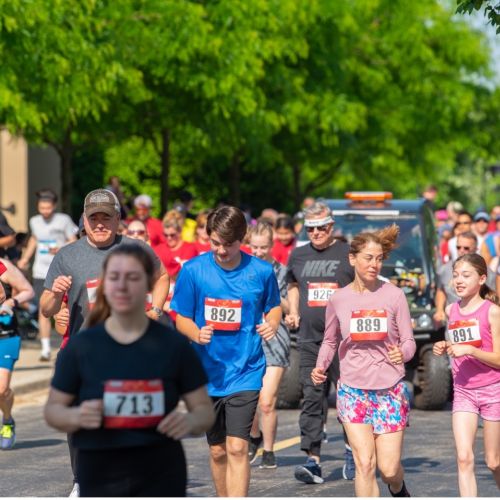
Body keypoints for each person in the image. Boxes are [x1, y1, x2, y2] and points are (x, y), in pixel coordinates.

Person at [44, 245, 214, 496]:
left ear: (147, 285)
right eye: (114, 278)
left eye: (133, 278)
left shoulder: (172, 345)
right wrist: (78, 416)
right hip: (101, 468)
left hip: (160, 469)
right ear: (104, 286)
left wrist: (189, 420)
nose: (123, 286)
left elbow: (204, 413)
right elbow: (53, 411)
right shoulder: (81, 347)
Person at [40, 188, 169, 496]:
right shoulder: (67, 256)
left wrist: (155, 309)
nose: (99, 224)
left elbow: (162, 276)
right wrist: (56, 294)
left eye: (105, 218)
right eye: (93, 218)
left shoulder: (135, 249)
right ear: (84, 220)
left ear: (117, 220)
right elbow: (46, 309)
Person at [171, 205, 282, 497]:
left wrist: (272, 323)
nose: (221, 250)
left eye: (228, 244)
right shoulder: (194, 271)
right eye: (215, 243)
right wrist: (196, 332)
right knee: (218, 450)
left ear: (241, 239)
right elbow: (180, 316)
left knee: (237, 447)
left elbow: (274, 306)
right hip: (207, 372)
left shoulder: (260, 271)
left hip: (246, 369)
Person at [311, 225, 416, 497]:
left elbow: (409, 342)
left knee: (388, 469)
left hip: (389, 389)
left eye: (379, 258)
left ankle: (398, 487)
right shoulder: (338, 299)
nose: (375, 264)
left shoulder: (394, 295)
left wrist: (401, 354)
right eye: (368, 258)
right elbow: (330, 340)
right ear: (352, 259)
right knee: (364, 464)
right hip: (352, 390)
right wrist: (320, 366)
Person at [285, 202, 355, 484]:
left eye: (321, 228)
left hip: (344, 342)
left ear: (332, 226)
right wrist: (292, 310)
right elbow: (292, 285)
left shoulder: (347, 253)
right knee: (312, 398)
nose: (316, 233)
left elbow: (364, 286)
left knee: (347, 398)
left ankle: (353, 450)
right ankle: (312, 461)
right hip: (310, 340)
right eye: (310, 228)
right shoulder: (298, 255)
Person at [433, 254, 500, 496]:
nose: (459, 281)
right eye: (456, 275)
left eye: (466, 275)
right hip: (463, 391)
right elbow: (455, 343)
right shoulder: (451, 310)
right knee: (463, 458)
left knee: (494, 461)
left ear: (482, 279)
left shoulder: (492, 312)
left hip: (493, 390)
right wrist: (444, 346)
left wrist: (470, 350)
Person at [247, 222, 291, 469]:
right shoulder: (241, 269)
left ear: (272, 246)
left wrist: (270, 288)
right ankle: (255, 436)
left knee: (266, 400)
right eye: (254, 246)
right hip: (248, 338)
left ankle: (270, 450)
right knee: (250, 398)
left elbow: (286, 307)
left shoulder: (281, 271)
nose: (259, 252)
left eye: (263, 247)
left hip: (275, 339)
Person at [17, 189, 78, 361]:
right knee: (43, 309)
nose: (45, 211)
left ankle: (67, 342)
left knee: (63, 308)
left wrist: (61, 249)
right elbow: (34, 240)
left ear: (54, 206)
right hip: (41, 270)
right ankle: (45, 349)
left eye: (48, 208)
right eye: (41, 208)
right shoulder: (34, 221)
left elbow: (73, 240)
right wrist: (25, 258)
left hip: (62, 270)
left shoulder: (63, 220)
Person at [0, 258, 35, 449]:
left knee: (1, 389)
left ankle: (7, 421)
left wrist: (11, 302)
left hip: (5, 335)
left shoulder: (1, 266)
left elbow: (28, 290)